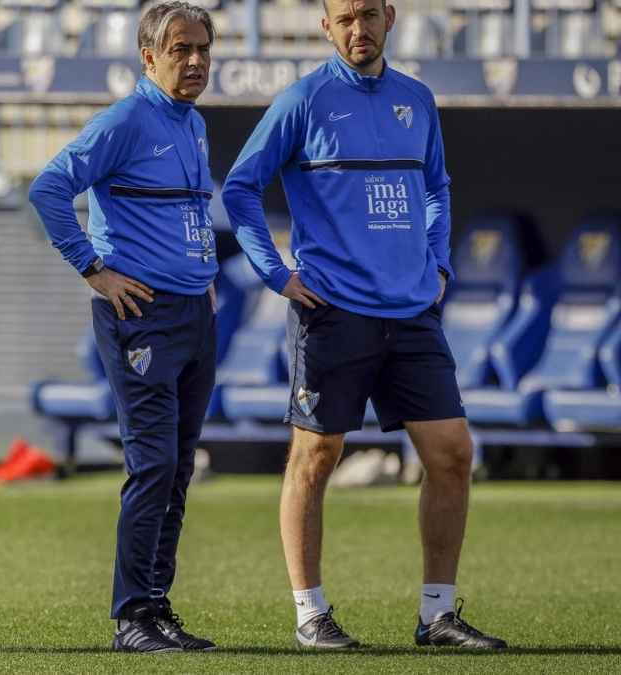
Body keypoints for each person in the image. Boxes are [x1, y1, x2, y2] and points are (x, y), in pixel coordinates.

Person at [222, 0, 507, 651]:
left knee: (453, 454)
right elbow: (240, 188)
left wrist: (438, 262)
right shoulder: (302, 100)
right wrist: (276, 273)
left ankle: (437, 615)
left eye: (368, 15)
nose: (358, 28)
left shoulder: (417, 100)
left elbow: (437, 186)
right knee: (315, 457)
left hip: (412, 312)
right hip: (333, 313)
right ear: (326, 26)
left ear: (391, 17)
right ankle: (310, 613)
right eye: (345, 17)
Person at [29, 1, 221, 654]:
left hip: (194, 314)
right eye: (179, 49)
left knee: (178, 469)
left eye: (201, 49)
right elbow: (49, 188)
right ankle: (131, 616)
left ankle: (157, 606)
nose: (194, 61)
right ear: (147, 56)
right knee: (154, 463)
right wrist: (94, 269)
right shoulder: (126, 120)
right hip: (139, 315)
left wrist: (206, 278)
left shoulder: (191, 123)